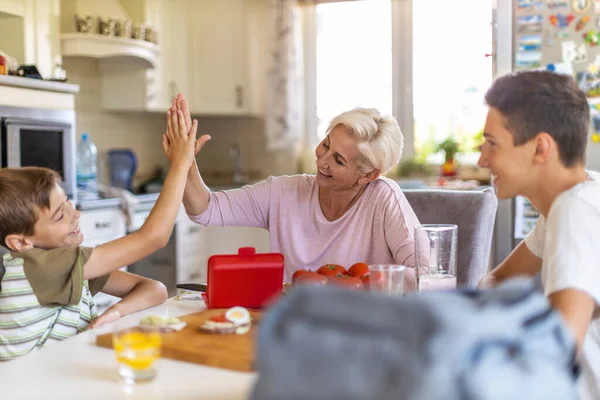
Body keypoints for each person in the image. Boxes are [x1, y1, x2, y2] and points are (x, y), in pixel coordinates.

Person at [163, 95, 423, 291]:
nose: (322, 161)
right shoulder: (283, 192)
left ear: (368, 175)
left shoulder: (383, 198)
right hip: (298, 325)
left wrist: (361, 288)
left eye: (339, 160)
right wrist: (184, 161)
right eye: (326, 145)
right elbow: (205, 209)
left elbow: (427, 275)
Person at [0, 107, 199, 361]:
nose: (76, 215)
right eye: (60, 215)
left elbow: (155, 289)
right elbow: (154, 237)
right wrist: (181, 164)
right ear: (20, 242)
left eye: (69, 203)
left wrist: (117, 311)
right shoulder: (40, 267)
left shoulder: (65, 265)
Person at [476, 70, 600, 399]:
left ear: (540, 148)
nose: (481, 159)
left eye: (492, 144)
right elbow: (497, 281)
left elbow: (554, 356)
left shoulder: (576, 210)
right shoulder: (579, 197)